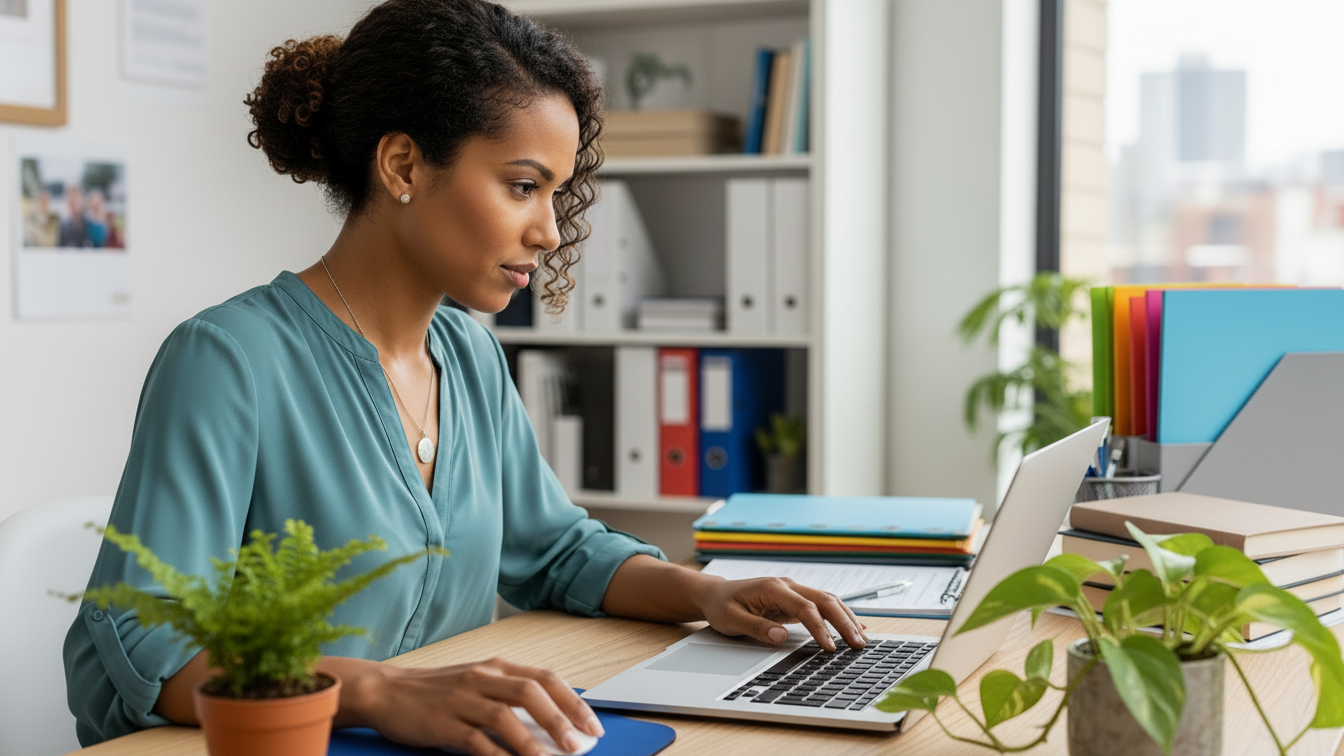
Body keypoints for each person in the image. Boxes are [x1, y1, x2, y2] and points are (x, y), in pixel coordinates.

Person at [63, 2, 867, 754]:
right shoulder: (227, 360)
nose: (549, 231)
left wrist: (704, 594)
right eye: (523, 186)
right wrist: (378, 693)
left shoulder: (469, 353)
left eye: (556, 193)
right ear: (404, 164)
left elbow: (555, 551)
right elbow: (153, 652)